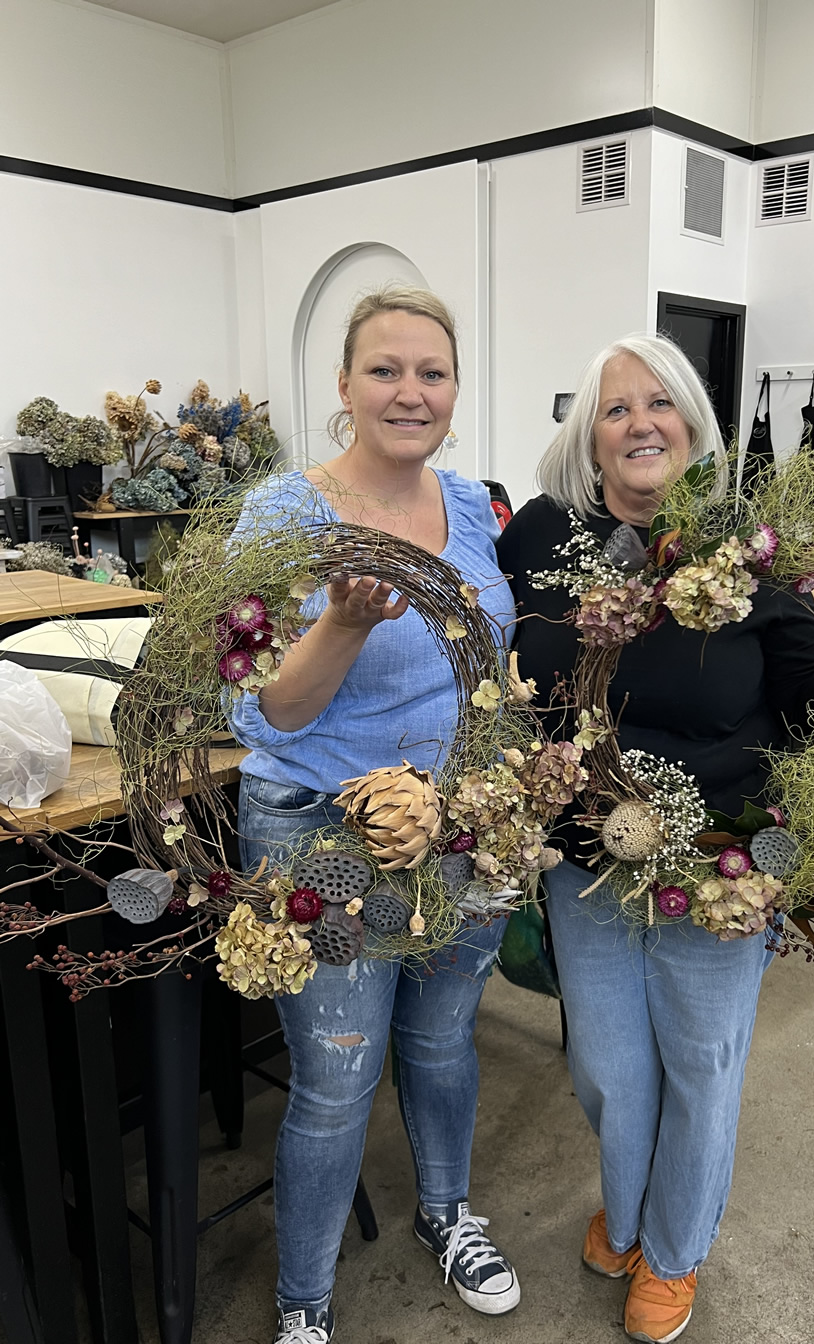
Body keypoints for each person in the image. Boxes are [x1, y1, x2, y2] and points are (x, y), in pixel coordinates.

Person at [495, 333, 814, 1344]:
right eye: (615, 408)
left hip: (723, 858)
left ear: (692, 425)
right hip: (590, 857)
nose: (641, 422)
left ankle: (673, 1250)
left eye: (661, 404)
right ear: (589, 438)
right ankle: (631, 1205)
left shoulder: (757, 551)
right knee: (605, 1063)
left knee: (700, 1059)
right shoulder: (545, 543)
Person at [230, 285, 520, 1344]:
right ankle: (304, 1303)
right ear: (344, 387)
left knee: (444, 1045)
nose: (411, 391)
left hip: (456, 820)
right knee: (339, 1073)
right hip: (320, 823)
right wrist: (344, 626)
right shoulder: (285, 516)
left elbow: (490, 660)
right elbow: (269, 705)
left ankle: (448, 1214)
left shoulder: (472, 505)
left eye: (432, 372)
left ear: (455, 389)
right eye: (386, 370)